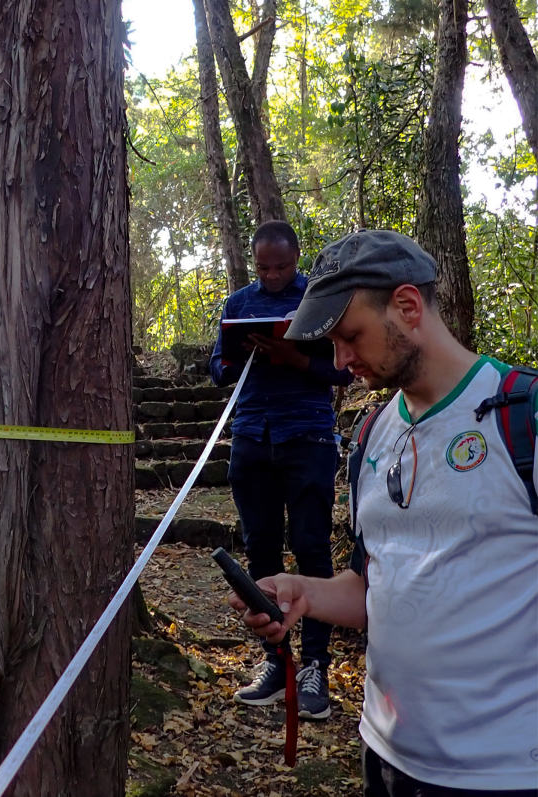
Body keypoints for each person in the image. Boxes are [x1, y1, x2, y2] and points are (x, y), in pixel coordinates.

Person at [231, 229, 538, 795]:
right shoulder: (372, 434)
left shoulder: (520, 417)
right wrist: (307, 592)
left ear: (407, 306)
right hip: (384, 755)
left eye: (350, 336)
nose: (341, 360)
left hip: (503, 773)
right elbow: (376, 581)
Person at [210, 220, 353, 720]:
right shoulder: (238, 304)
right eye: (263, 267)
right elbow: (217, 371)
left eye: (282, 267)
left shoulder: (317, 301)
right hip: (252, 436)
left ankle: (315, 665)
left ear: (297, 260)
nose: (272, 276)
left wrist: (294, 358)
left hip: (307, 436)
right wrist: (238, 353)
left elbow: (342, 370)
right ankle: (276, 661)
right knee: (262, 549)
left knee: (312, 546)